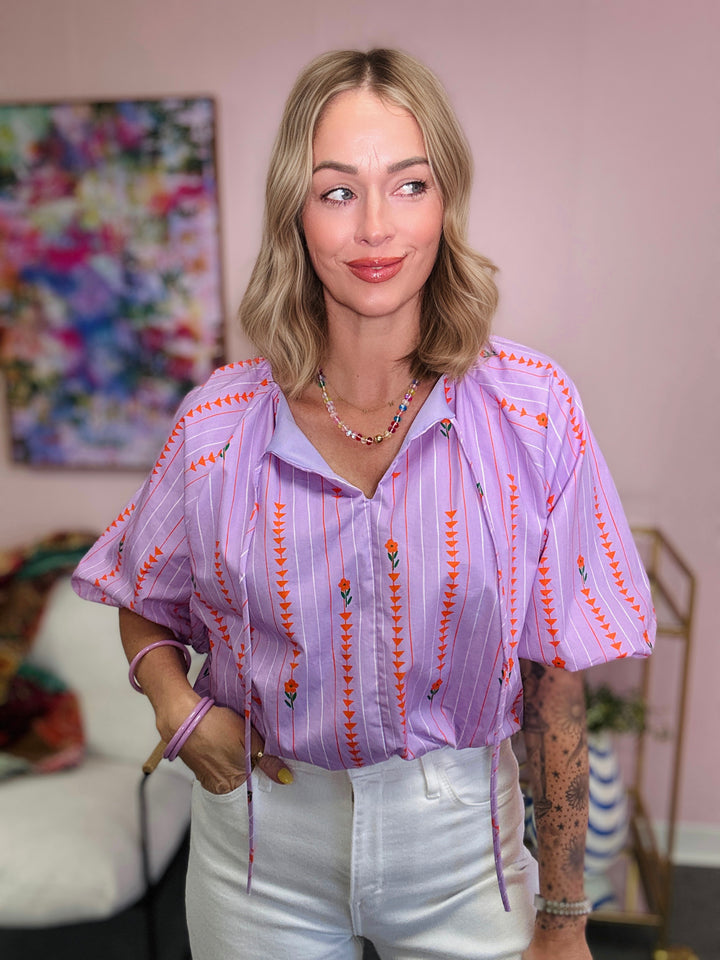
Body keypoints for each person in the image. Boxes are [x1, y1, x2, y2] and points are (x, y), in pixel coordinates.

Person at [73, 48, 655, 960]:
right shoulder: (218, 425)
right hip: (259, 849)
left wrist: (564, 914)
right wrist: (177, 709)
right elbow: (140, 594)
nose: (376, 227)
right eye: (338, 191)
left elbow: (556, 675)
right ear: (295, 216)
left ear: (446, 202)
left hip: (465, 851)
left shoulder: (534, 411)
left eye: (409, 185)